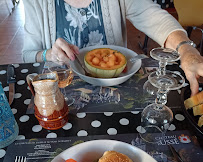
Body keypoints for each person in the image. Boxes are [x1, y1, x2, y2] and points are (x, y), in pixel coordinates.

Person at [22, 0, 203, 96]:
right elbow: (28, 56)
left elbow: (155, 18)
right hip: (62, 94)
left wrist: (186, 50)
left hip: (117, 90)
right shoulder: (34, 2)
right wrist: (49, 54)